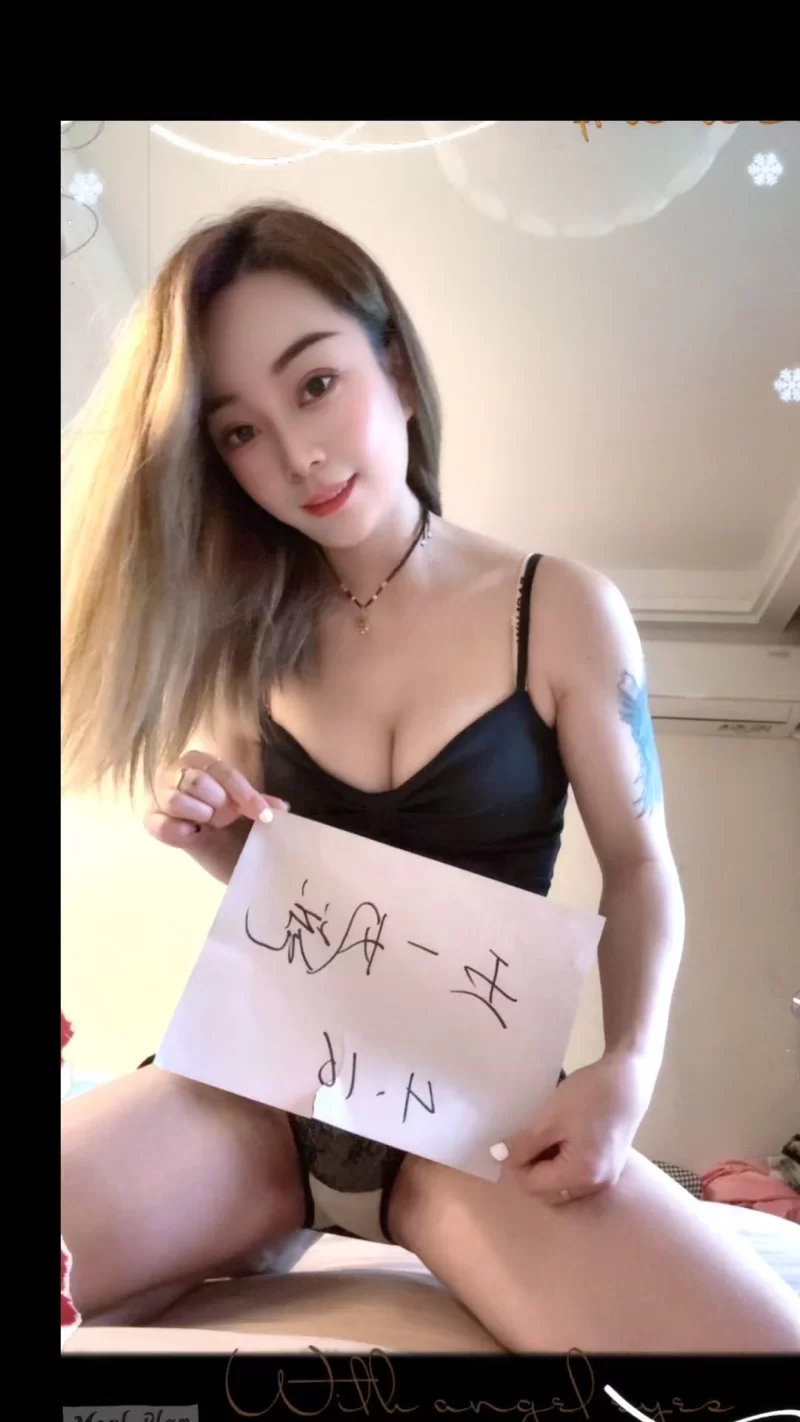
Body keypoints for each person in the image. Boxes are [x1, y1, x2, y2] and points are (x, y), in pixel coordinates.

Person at [60, 203, 800, 1352]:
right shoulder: (243, 637)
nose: (296, 455)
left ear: (396, 369)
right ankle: (249, 1227)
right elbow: (288, 893)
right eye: (239, 430)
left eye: (315, 385)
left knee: (755, 1367)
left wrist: (625, 1066)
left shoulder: (558, 609)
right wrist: (219, 840)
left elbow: (637, 867)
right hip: (255, 1089)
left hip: (469, 1108)